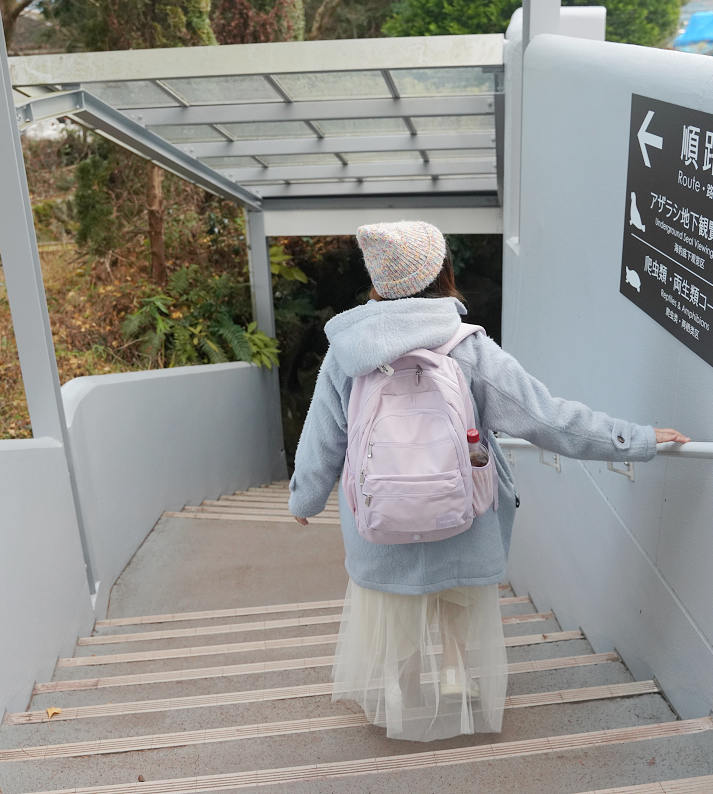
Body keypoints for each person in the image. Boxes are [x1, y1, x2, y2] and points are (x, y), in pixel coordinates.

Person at [288, 221, 690, 742]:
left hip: (379, 528)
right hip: (465, 521)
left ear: (378, 281)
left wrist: (304, 497)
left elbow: (323, 440)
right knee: (459, 599)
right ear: (442, 271)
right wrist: (633, 439)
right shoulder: (468, 350)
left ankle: (402, 704)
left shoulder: (348, 354)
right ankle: (459, 684)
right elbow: (547, 419)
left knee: (395, 614)